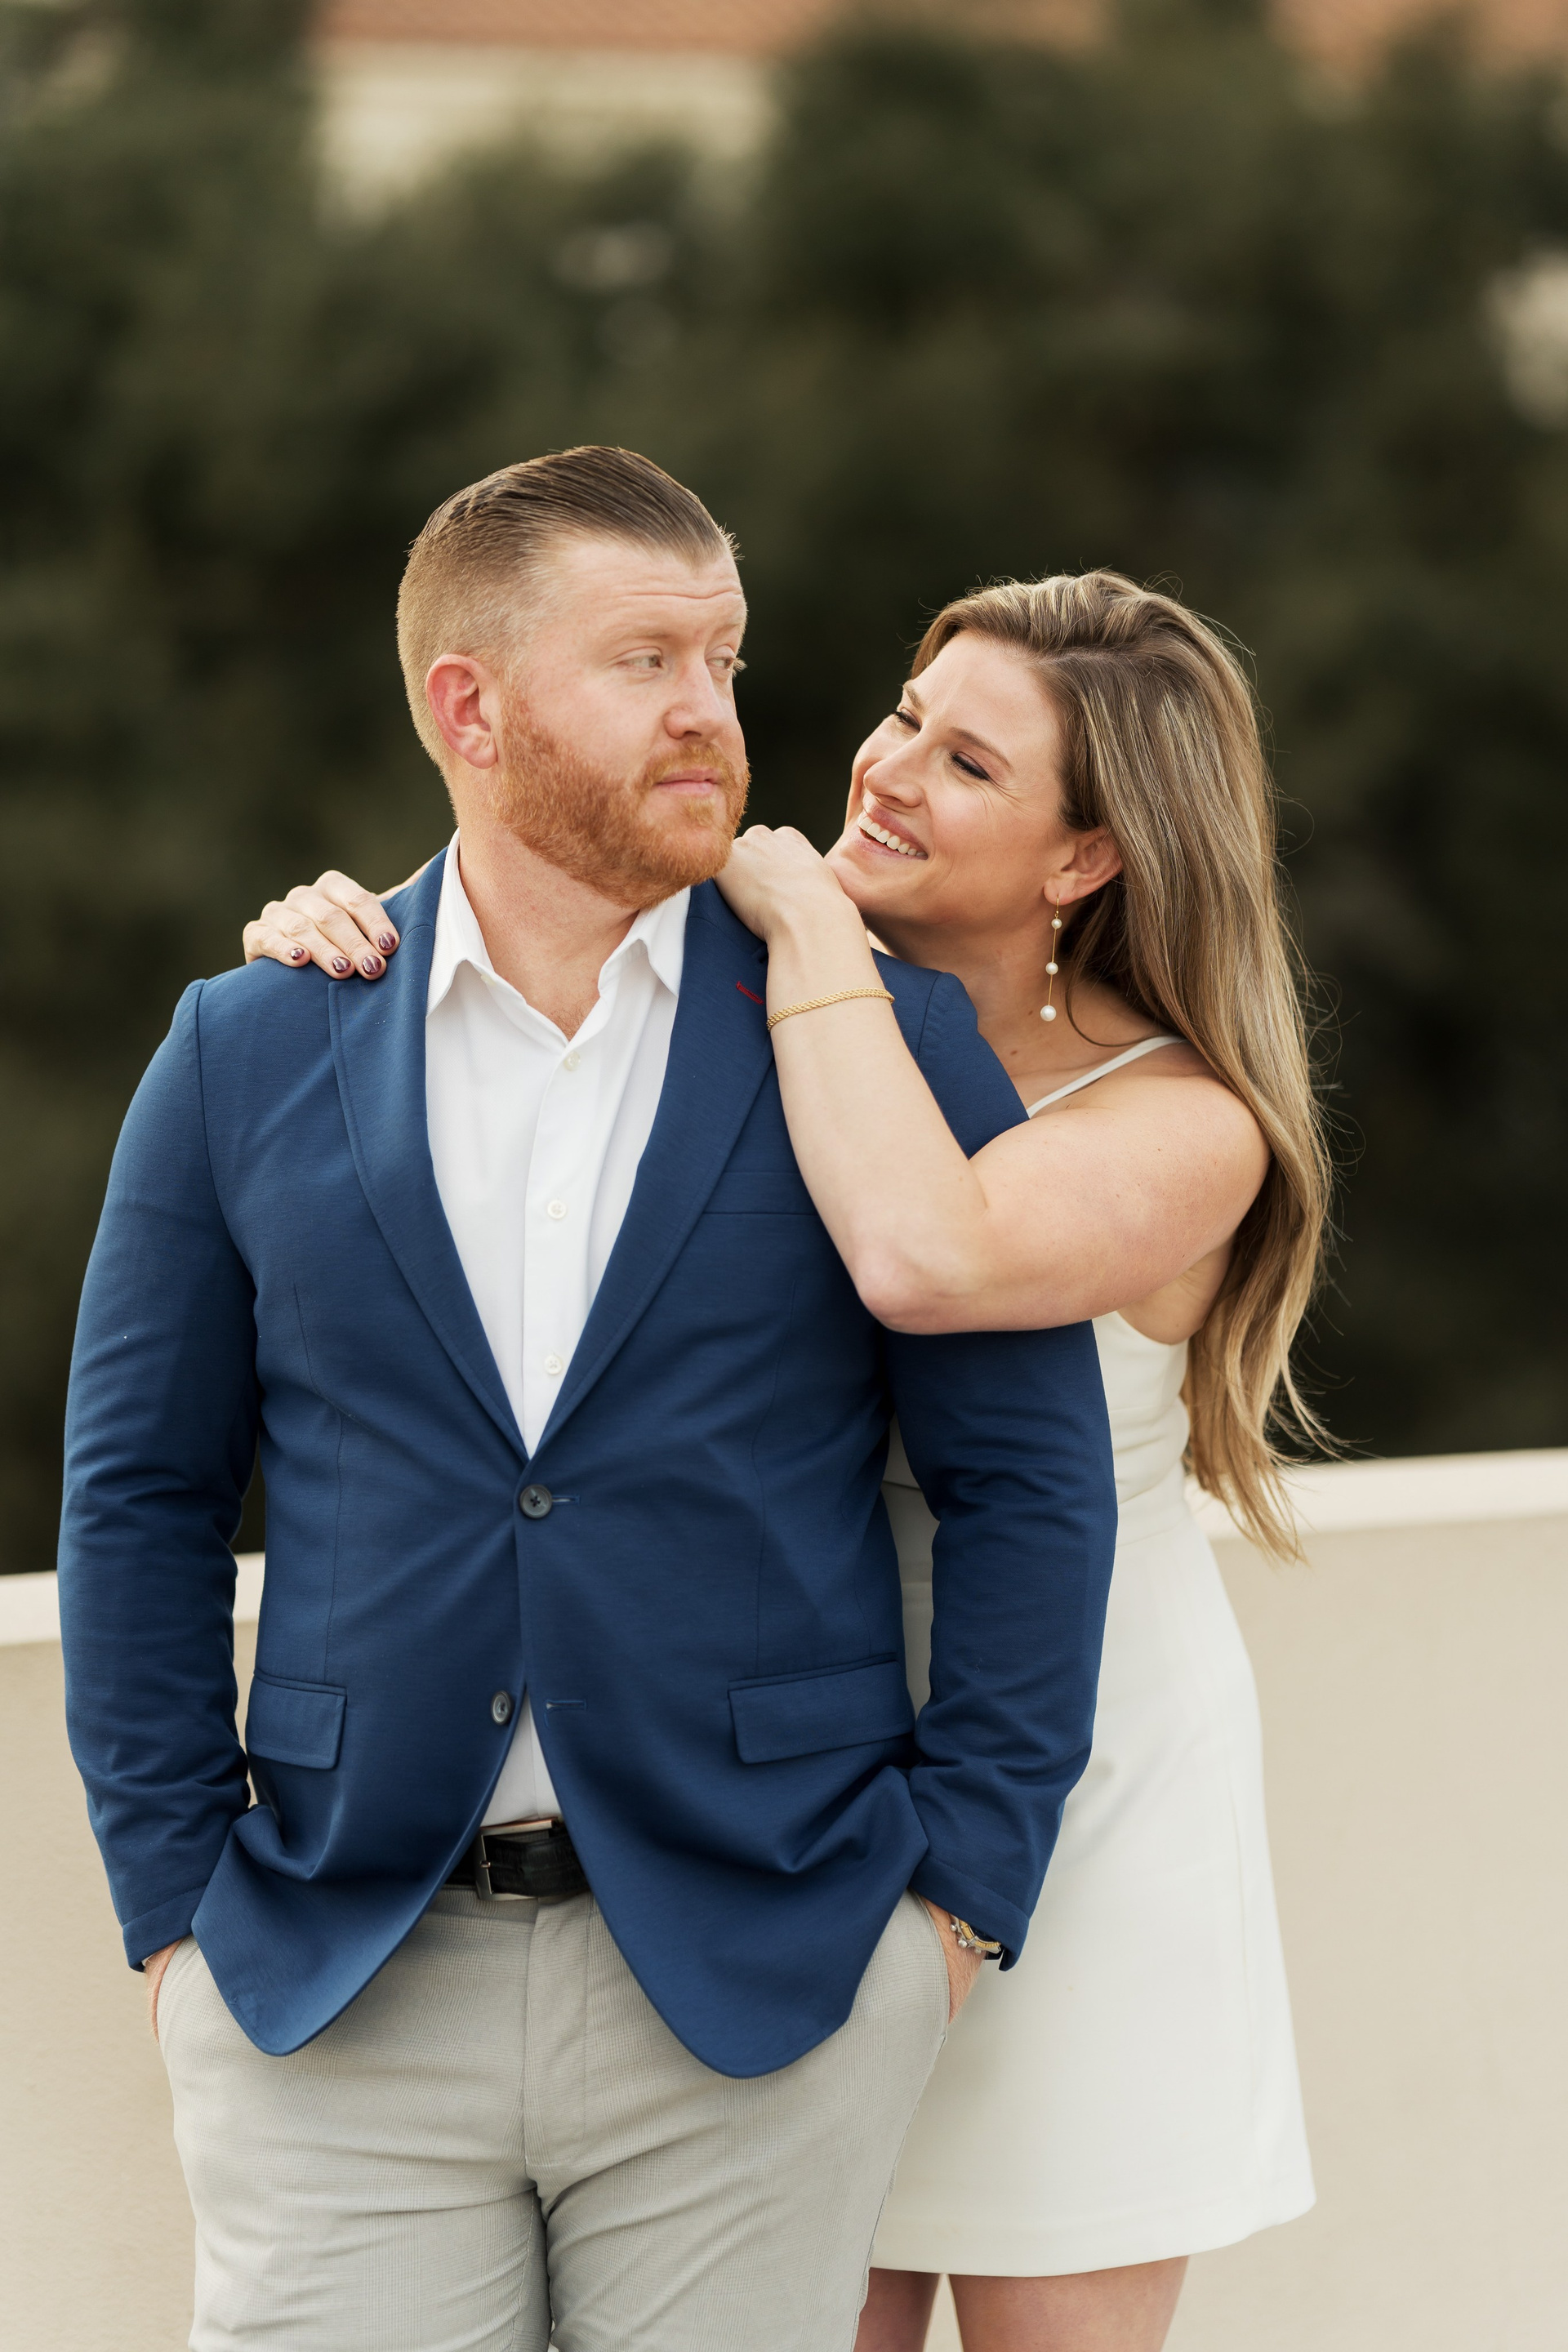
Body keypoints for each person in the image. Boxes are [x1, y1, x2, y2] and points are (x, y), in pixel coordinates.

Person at [58, 448, 1118, 2352]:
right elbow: (138, 1495)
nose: (709, 708)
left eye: (724, 658)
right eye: (645, 661)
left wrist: (954, 1905)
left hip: (761, 1973)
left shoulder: (877, 1040)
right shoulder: (249, 1045)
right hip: (333, 1978)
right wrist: (173, 1913)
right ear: (470, 706)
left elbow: (1030, 1487)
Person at [248, 566, 1326, 2352]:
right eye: (908, 714)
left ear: (1085, 859)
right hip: (779, 1833)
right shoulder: (751, 992)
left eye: (969, 764)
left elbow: (926, 1253)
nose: (888, 768)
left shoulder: (1183, 1123)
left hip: (1076, 1818)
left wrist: (810, 928)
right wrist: (354, 939)